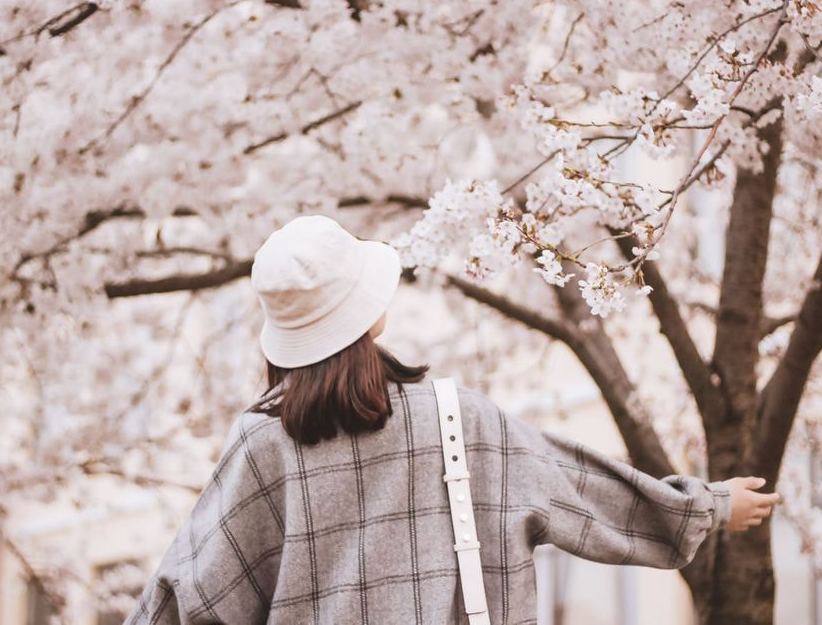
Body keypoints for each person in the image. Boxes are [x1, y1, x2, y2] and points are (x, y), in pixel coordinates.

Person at [125, 215, 781, 625]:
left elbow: (191, 595)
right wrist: (705, 505)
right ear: (370, 312)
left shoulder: (261, 443)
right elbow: (576, 488)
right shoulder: (453, 420)